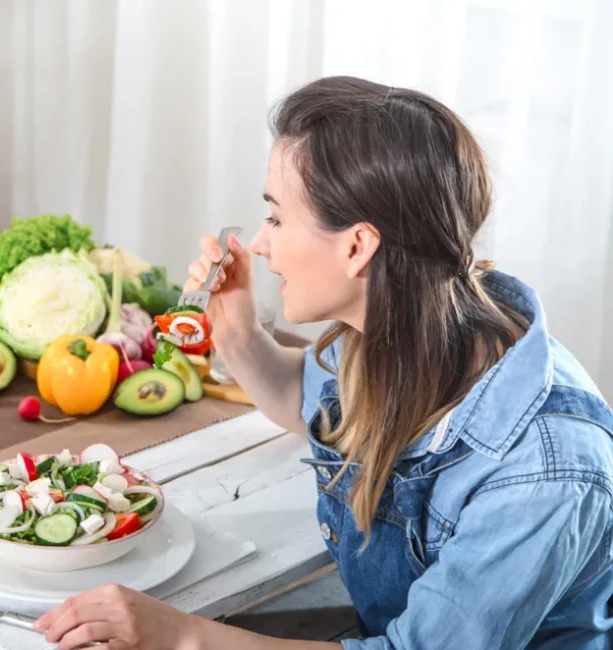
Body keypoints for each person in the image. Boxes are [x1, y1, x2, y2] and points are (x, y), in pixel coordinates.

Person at [32, 75, 613, 649]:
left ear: (358, 247)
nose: (260, 244)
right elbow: (302, 402)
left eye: (277, 218)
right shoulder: (404, 326)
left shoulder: (543, 473)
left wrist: (182, 635)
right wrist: (235, 331)